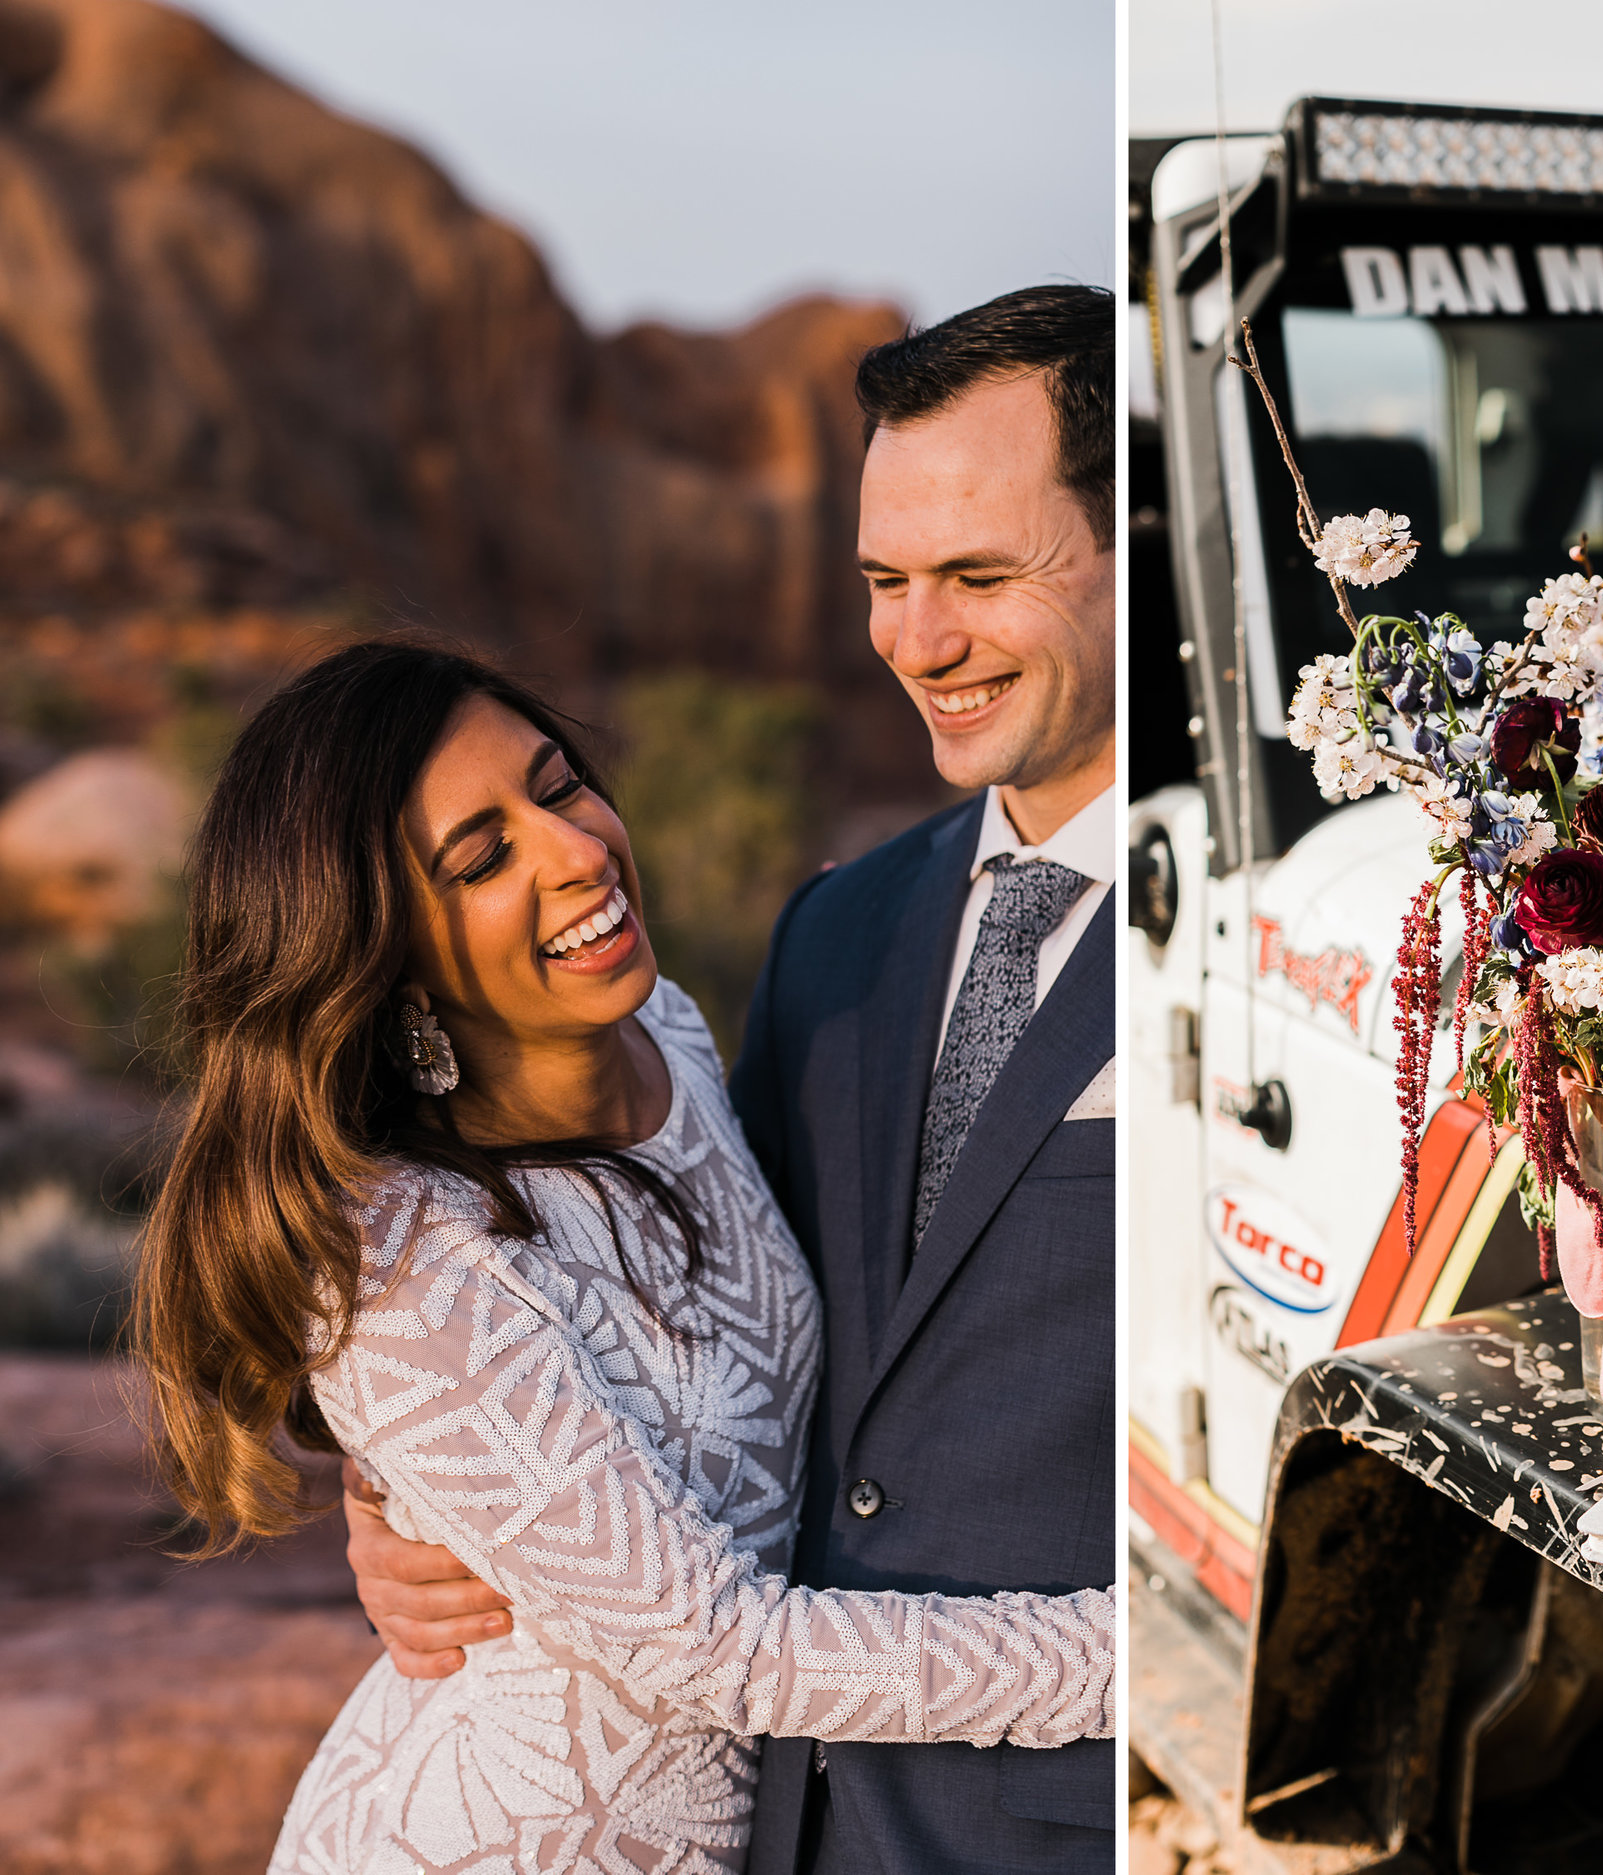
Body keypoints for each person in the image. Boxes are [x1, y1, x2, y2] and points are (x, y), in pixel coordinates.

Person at [340, 283, 1121, 1873]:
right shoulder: (834, 937)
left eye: (977, 574)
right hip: (759, 1816)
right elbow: (632, 1287)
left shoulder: (1290, 942)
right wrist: (407, 1473)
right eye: (886, 580)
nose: (918, 639)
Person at [130, 638, 1114, 1875]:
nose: (578, 852)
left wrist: (415, 1488)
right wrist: (1135, 1657)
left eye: (556, 787)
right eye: (481, 859)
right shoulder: (404, 1263)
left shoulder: (666, 1028)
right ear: (383, 959)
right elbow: (712, 1645)